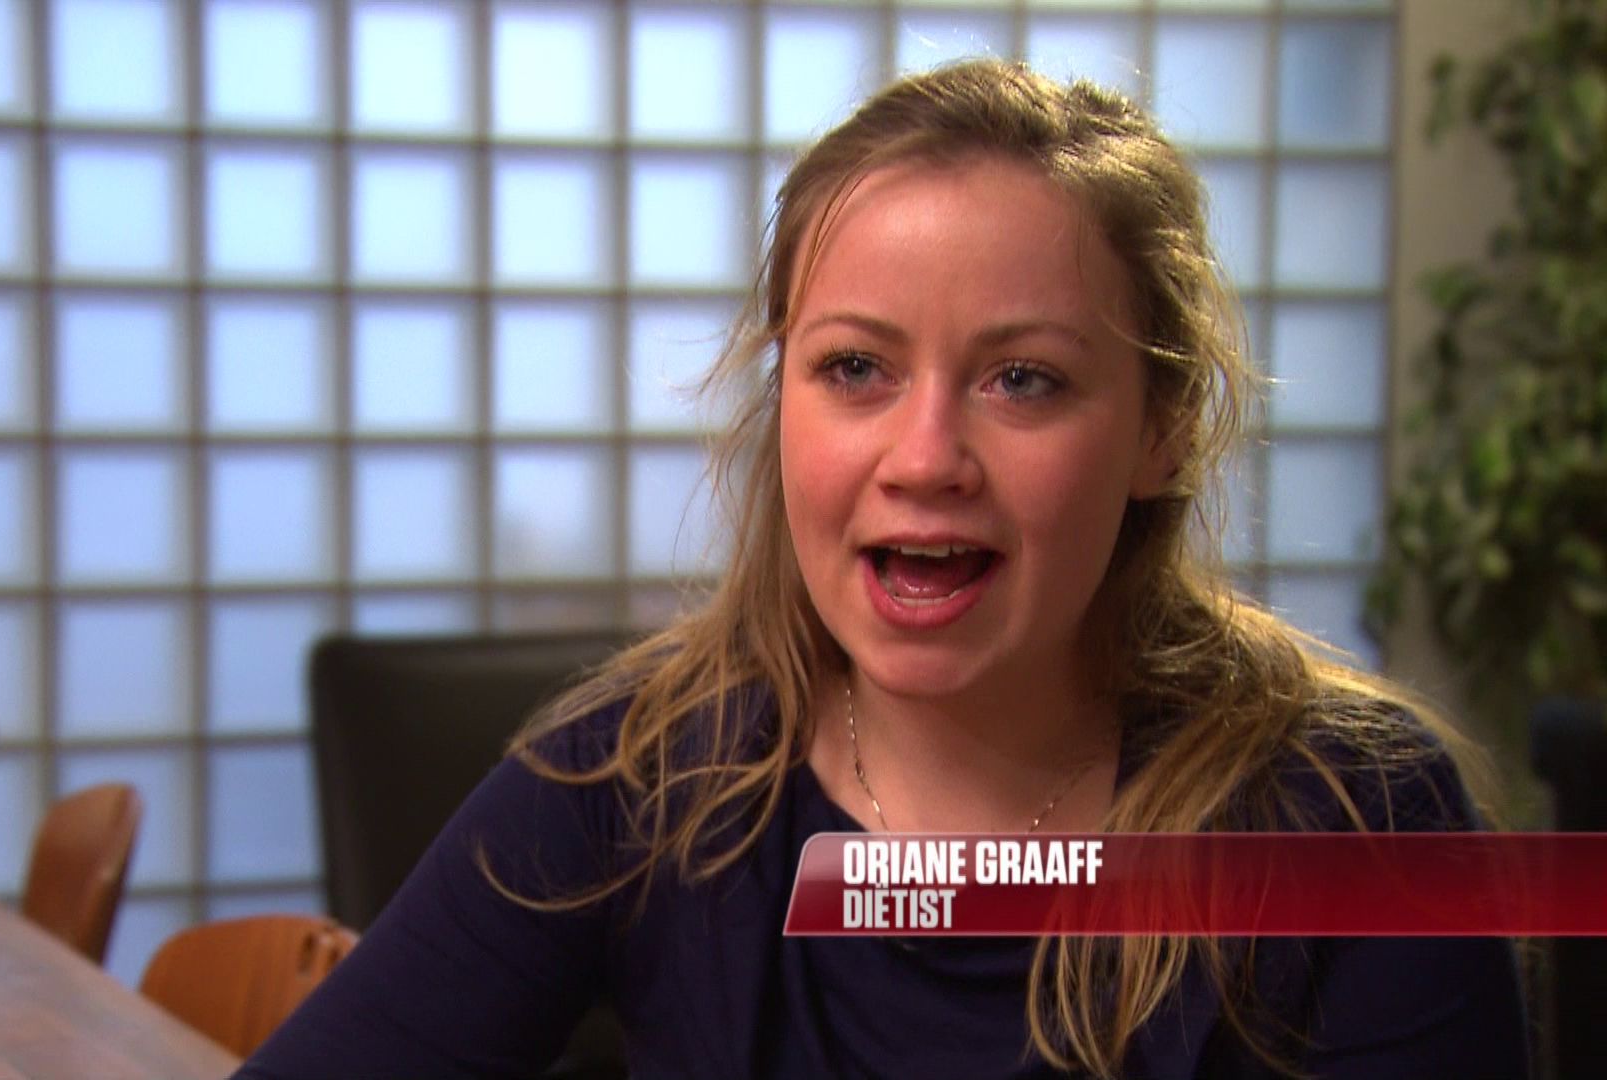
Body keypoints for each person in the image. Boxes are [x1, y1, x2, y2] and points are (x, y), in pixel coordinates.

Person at [240, 59, 1529, 1079]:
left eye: (1023, 380)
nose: (925, 459)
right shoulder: (633, 781)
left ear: (1163, 429)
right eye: (855, 368)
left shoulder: (1362, 820)